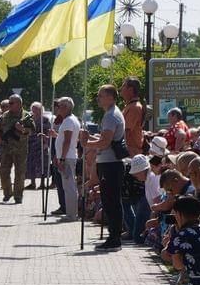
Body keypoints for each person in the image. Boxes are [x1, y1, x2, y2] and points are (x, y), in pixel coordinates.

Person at [80, 85, 126, 251]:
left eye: (101, 95)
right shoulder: (111, 114)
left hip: (110, 164)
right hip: (109, 163)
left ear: (111, 97)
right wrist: (90, 138)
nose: (98, 98)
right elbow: (107, 138)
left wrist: (87, 143)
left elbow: (105, 143)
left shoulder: (111, 116)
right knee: (110, 201)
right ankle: (114, 236)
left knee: (111, 202)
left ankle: (114, 239)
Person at [0, 94, 35, 204]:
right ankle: (7, 193)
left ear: (19, 104)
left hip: (20, 149)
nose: (9, 105)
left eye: (11, 103)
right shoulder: (4, 116)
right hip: (5, 148)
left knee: (20, 173)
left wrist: (22, 129)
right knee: (3, 171)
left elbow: (32, 130)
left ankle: (18, 196)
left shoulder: (26, 116)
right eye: (9, 103)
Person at [53, 97, 80, 221]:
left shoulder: (68, 121)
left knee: (69, 187)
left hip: (67, 158)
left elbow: (67, 141)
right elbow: (65, 138)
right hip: (67, 156)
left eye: (59, 106)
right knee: (68, 186)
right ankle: (71, 213)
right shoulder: (69, 120)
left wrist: (62, 158)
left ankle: (71, 214)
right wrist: (56, 136)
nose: (57, 108)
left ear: (66, 107)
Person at [25, 102, 51, 189]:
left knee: (42, 164)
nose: (35, 110)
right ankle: (32, 183)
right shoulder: (29, 119)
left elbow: (48, 131)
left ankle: (42, 183)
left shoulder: (45, 120)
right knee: (30, 164)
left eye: (37, 109)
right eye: (33, 108)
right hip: (30, 145)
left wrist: (46, 143)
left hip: (41, 144)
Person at [120, 78, 146, 156]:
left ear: (130, 89)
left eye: (123, 86)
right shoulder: (130, 106)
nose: (121, 88)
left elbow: (126, 131)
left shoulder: (134, 108)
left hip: (131, 153)